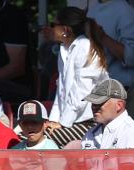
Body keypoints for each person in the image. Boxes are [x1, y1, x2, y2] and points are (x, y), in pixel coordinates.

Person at [47, 7, 110, 148]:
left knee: (44, 141)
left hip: (90, 123)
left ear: (65, 29)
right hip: (71, 121)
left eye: (53, 25)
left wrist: (62, 123)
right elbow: (61, 92)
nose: (50, 28)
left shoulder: (84, 47)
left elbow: (82, 93)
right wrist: (53, 121)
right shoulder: (64, 49)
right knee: (32, 137)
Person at [86, 0, 134, 88]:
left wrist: (103, 37)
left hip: (126, 89)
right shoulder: (93, 9)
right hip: (101, 87)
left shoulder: (125, 10)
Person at [80, 78, 134, 150]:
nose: (94, 107)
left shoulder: (133, 132)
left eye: (99, 103)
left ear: (119, 105)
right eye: (93, 103)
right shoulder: (90, 133)